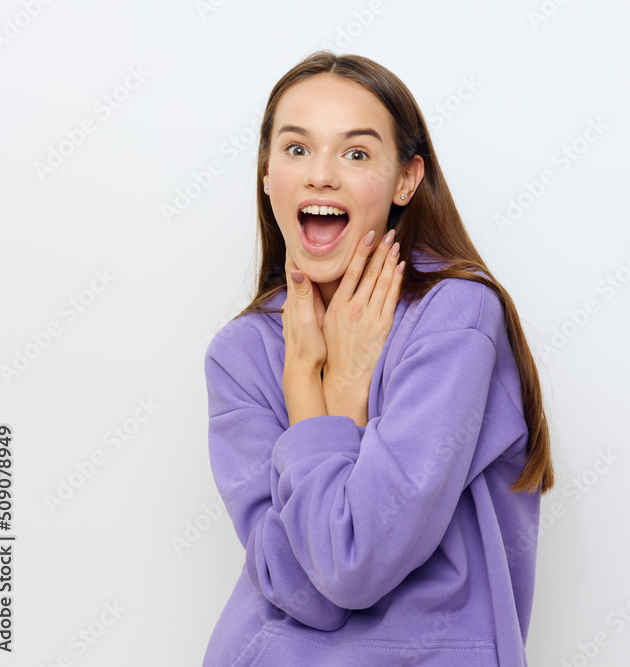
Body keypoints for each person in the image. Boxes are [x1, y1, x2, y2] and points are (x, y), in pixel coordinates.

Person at [201, 50, 554, 666]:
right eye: (296, 149)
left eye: (356, 153)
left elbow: (351, 565)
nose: (321, 175)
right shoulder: (240, 353)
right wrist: (317, 385)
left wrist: (328, 395)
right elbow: (295, 588)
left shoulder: (456, 318)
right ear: (266, 174)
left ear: (406, 180)